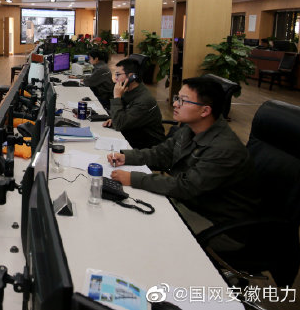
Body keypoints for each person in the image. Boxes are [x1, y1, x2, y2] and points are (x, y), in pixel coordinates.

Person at [107, 77, 260, 247]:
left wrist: (133, 178)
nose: (175, 104)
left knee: (140, 226)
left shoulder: (224, 149)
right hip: (192, 203)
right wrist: (127, 157)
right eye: (177, 98)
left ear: (205, 111)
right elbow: (162, 153)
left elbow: (186, 187)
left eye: (182, 101)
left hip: (217, 224)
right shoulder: (190, 128)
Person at [102, 58, 164, 149]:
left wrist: (117, 97)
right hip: (132, 134)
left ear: (131, 76)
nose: (115, 78)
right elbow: (123, 117)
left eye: (118, 74)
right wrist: (115, 119)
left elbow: (119, 124)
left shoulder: (144, 100)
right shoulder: (129, 90)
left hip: (146, 145)